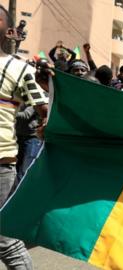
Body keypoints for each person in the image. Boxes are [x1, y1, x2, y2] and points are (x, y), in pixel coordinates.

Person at [0, 5, 50, 269]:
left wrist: (45, 124)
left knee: (5, 240)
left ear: (9, 32)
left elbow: (46, 110)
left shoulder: (20, 69)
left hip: (1, 163)